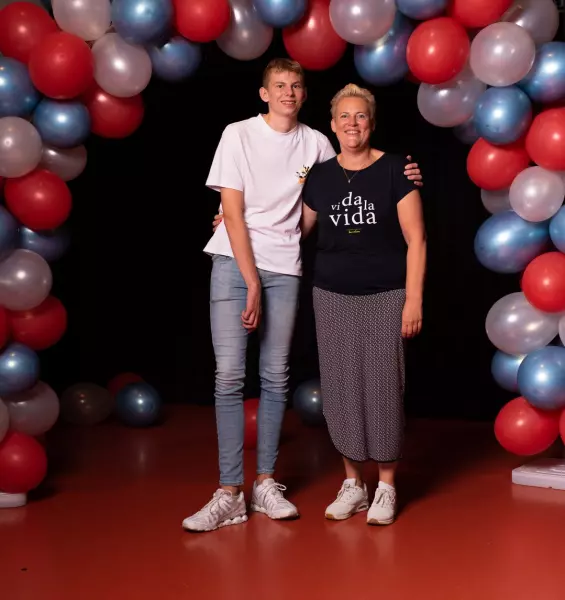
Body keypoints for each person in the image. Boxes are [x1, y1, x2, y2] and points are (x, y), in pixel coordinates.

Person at [182, 59, 423, 533]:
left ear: (305, 95)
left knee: (276, 377)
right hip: (235, 262)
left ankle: (265, 484)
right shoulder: (237, 134)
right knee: (229, 376)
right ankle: (229, 492)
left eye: (296, 85)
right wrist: (248, 273)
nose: (288, 93)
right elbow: (234, 210)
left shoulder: (316, 143)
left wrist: (405, 172)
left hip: (286, 267)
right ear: (264, 93)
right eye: (279, 85)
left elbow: (350, 174)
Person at [300, 83, 427, 526]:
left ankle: (386, 486)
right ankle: (354, 484)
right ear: (332, 126)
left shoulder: (396, 169)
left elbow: (417, 239)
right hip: (331, 294)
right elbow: (293, 231)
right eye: (344, 116)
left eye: (360, 116)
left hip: (386, 294)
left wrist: (414, 299)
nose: (352, 123)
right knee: (340, 389)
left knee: (383, 387)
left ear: (371, 123)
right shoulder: (319, 176)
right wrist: (231, 222)